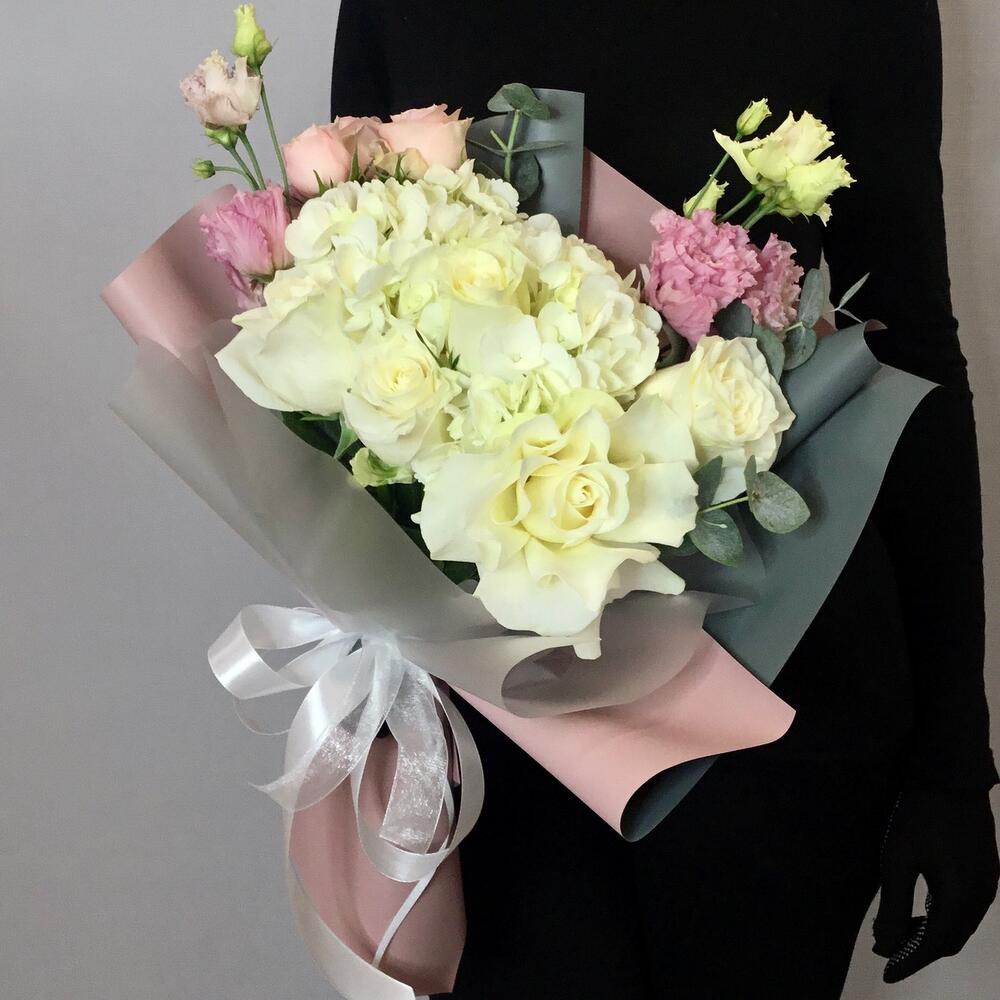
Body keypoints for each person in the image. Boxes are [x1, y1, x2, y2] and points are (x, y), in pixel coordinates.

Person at [330, 1, 999, 995]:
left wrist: (951, 755)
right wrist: (373, 694)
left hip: (782, 675)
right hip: (503, 693)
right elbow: (351, 306)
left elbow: (910, 345)